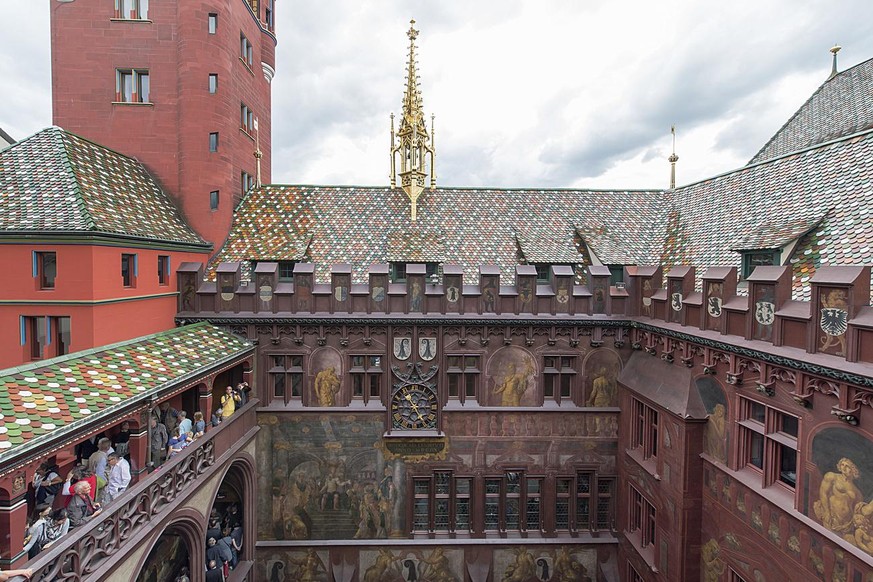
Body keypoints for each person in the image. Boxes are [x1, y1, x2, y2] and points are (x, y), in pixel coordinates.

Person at [814, 457, 863, 535]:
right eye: (842, 465)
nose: (843, 467)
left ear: (853, 470)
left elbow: (856, 509)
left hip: (847, 522)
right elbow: (823, 493)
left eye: (847, 466)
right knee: (828, 538)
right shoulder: (832, 476)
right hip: (832, 516)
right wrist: (826, 511)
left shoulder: (857, 491)